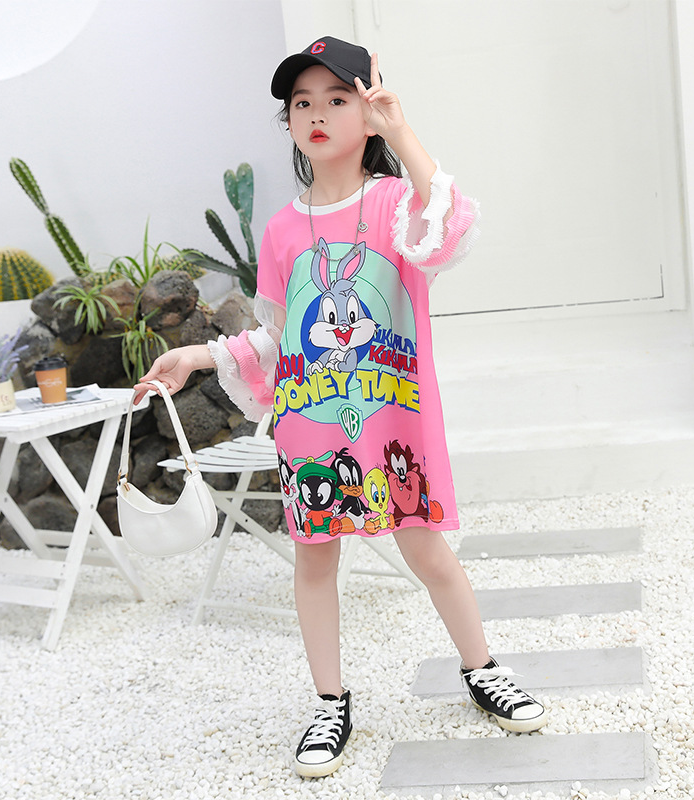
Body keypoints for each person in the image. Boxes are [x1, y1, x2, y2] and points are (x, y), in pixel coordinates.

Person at [135, 35, 548, 778]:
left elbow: (449, 228)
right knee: (315, 557)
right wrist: (197, 356)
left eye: (336, 99)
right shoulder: (281, 230)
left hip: (394, 417)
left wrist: (401, 130)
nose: (317, 115)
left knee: (426, 548)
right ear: (289, 121)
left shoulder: (396, 202)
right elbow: (276, 334)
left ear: (366, 110)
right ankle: (330, 702)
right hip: (312, 423)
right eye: (302, 103)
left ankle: (482, 668)